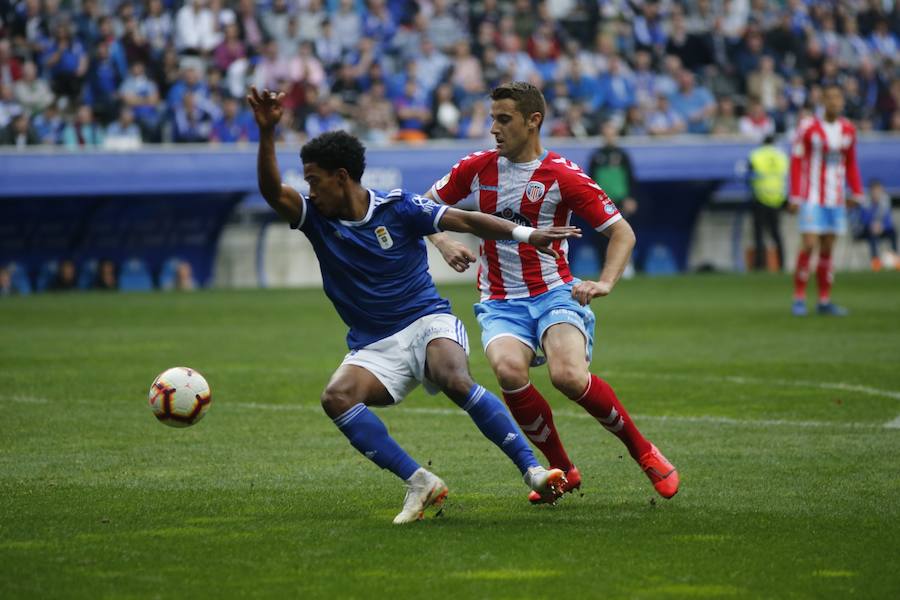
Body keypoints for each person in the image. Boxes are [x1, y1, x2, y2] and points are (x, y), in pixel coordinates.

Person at [247, 86, 577, 524]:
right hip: (374, 343)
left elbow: (466, 218)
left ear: (341, 176)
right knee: (337, 397)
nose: (309, 190)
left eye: (314, 180)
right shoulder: (317, 219)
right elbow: (273, 192)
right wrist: (267, 133)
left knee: (453, 377)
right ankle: (419, 482)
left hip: (426, 320)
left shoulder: (397, 207)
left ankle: (532, 470)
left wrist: (526, 234)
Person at [424, 82, 680, 505]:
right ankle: (563, 469)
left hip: (554, 293)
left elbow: (622, 232)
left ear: (533, 121)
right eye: (492, 119)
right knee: (508, 371)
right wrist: (442, 241)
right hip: (500, 300)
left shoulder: (562, 174)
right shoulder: (476, 167)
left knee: (568, 376)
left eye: (503, 119)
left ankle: (643, 451)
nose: (494, 129)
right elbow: (423, 207)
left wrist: (605, 282)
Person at [788, 85, 864, 316]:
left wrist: (857, 192)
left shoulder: (848, 129)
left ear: (843, 102)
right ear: (822, 100)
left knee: (828, 248)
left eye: (838, 98)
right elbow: (797, 161)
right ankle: (799, 297)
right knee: (809, 244)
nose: (834, 102)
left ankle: (824, 300)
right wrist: (795, 194)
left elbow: (851, 163)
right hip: (811, 196)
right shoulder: (808, 127)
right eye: (830, 98)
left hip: (836, 197)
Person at [587, 121, 639, 277]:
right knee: (602, 235)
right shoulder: (596, 156)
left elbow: (631, 178)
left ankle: (626, 265)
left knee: (623, 233)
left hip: (620, 200)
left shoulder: (623, 155)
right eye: (606, 132)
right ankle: (604, 266)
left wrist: (631, 197)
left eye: (612, 132)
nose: (609, 135)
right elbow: (590, 180)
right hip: (602, 201)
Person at [747, 134, 788, 271]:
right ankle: (782, 263)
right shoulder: (782, 156)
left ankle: (760, 265)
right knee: (776, 233)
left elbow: (749, 175)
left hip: (760, 197)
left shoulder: (756, 155)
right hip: (777, 198)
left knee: (759, 234)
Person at [855, 179, 898, 271]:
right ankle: (875, 261)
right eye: (875, 190)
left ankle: (895, 258)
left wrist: (882, 226)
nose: (876, 193)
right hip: (866, 230)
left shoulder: (885, 202)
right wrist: (872, 225)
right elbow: (862, 219)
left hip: (881, 229)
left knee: (893, 232)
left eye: (879, 191)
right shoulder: (865, 202)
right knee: (872, 235)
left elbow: (888, 220)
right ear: (871, 191)